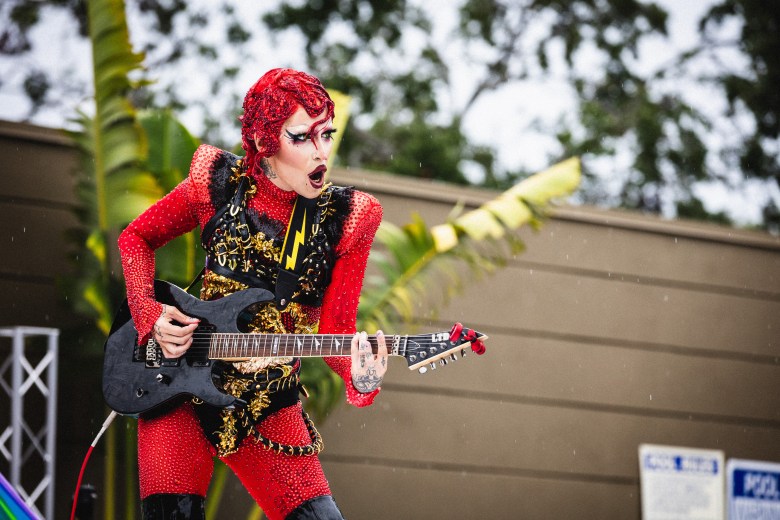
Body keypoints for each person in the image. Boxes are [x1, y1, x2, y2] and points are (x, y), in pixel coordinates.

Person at [117, 68, 388, 520]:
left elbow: (337, 332)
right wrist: (149, 317)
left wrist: (362, 376)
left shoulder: (348, 220)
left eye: (328, 134)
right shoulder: (219, 186)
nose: (321, 153)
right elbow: (135, 240)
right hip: (178, 386)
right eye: (302, 137)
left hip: (267, 403)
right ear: (265, 141)